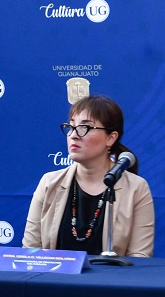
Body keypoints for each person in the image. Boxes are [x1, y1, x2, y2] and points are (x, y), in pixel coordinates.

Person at [23, 95, 154, 255]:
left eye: (85, 127)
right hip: (53, 272)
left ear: (111, 138)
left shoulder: (136, 188)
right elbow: (30, 253)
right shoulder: (49, 183)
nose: (74, 135)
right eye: (71, 127)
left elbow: (140, 257)